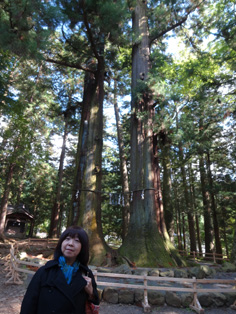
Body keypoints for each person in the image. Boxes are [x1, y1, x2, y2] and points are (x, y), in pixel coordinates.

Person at [20, 226, 100, 314]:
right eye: (67, 239)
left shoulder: (86, 274)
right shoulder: (44, 272)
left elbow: (95, 303)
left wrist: (91, 293)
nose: (70, 243)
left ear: (83, 248)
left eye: (77, 241)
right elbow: (28, 305)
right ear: (61, 243)